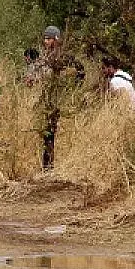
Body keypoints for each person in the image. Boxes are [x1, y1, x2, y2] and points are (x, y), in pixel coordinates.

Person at [26, 25, 85, 170]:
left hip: (58, 101)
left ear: (56, 39)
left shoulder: (63, 57)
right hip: (46, 100)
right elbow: (34, 76)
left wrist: (71, 87)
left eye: (49, 38)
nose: (46, 41)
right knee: (45, 134)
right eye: (45, 38)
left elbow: (81, 71)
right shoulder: (45, 57)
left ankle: (49, 168)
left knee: (50, 133)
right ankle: (47, 167)